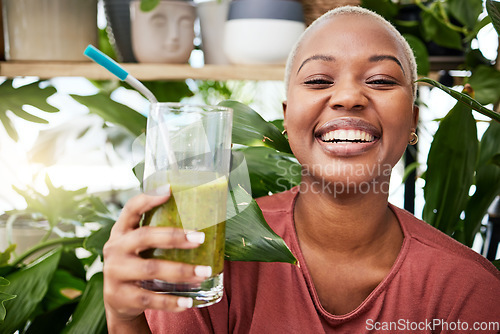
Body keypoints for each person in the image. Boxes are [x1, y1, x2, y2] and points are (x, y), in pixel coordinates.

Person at [102, 6, 500, 334]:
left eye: (380, 80)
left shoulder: (468, 291)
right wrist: (125, 321)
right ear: (288, 120)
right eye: (318, 79)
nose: (347, 97)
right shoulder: (212, 257)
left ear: (413, 120)